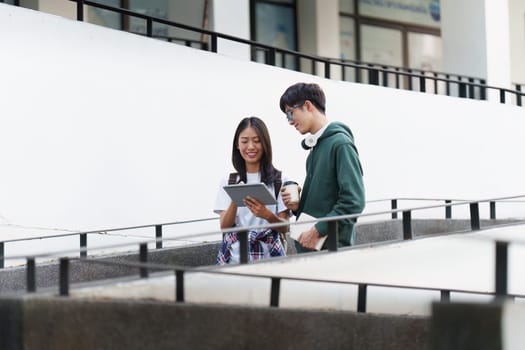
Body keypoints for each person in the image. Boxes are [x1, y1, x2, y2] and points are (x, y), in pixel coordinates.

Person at [279, 82, 365, 252]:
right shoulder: (315, 148)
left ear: (308, 106)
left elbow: (354, 201)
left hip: (332, 252)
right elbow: (326, 202)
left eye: (290, 113)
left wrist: (319, 230)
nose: (290, 121)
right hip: (316, 252)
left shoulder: (340, 144)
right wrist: (299, 207)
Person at [214, 116, 290, 264]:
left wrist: (266, 214)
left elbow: (284, 227)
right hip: (235, 258)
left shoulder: (279, 180)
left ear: (265, 143)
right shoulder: (228, 181)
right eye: (244, 141)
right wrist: (236, 198)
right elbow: (224, 226)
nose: (250, 147)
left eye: (257, 141)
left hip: (271, 257)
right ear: (237, 144)